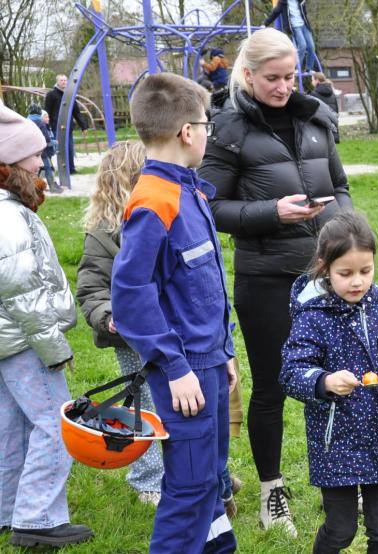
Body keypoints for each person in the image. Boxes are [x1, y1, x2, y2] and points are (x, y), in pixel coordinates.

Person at [199, 28, 351, 534]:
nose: (284, 86)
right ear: (246, 74)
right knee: (271, 389)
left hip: (325, 275)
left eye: (290, 76)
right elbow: (210, 206)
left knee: (336, 380)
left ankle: (341, 483)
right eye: (273, 78)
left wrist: (346, 237)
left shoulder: (316, 119)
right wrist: (271, 212)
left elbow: (340, 186)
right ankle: (272, 493)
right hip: (266, 279)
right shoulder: (227, 128)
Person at [110, 73, 237, 553]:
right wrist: (175, 365)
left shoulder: (190, 191)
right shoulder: (155, 200)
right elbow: (130, 291)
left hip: (209, 362)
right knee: (188, 490)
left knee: (210, 482)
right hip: (184, 373)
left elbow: (198, 287)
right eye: (207, 124)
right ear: (188, 131)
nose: (209, 133)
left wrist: (223, 349)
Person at [280, 211, 378, 553]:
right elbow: (291, 371)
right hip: (336, 442)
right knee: (341, 530)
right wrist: (325, 381)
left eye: (366, 271)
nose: (357, 282)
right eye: (345, 274)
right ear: (324, 268)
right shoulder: (313, 317)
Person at [0, 104, 93, 548]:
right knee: (56, 424)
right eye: (35, 155)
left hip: (8, 340)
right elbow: (21, 292)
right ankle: (37, 518)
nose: (42, 161)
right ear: (11, 161)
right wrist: (55, 349)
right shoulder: (9, 216)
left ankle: (7, 508)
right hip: (24, 342)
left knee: (13, 425)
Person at [76, 140, 166, 507]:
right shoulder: (102, 234)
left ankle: (191, 469)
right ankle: (147, 479)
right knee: (141, 405)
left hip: (173, 332)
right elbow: (91, 289)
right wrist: (108, 317)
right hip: (133, 340)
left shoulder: (163, 218)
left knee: (181, 401)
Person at [44, 74, 89, 175]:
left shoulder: (69, 95)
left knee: (69, 147)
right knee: (57, 149)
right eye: (61, 80)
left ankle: (71, 169)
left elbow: (76, 112)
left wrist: (83, 126)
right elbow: (47, 111)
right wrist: (47, 125)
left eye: (65, 80)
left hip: (68, 127)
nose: (64, 82)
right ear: (57, 82)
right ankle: (57, 169)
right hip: (56, 126)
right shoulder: (51, 95)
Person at [264, 0, 318, 73]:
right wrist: (265, 24)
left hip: (304, 25)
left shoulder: (300, 1)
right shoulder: (283, 3)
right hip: (295, 26)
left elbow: (304, 13)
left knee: (311, 47)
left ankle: (309, 68)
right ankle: (296, 67)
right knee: (302, 45)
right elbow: (275, 13)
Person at [26, 104, 59, 193]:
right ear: (39, 112)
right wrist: (55, 142)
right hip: (41, 151)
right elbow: (47, 139)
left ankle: (32, 187)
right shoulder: (40, 122)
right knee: (48, 167)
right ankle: (52, 187)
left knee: (32, 170)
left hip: (29, 150)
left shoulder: (26, 121)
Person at [309, 72, 341, 143]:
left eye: (312, 80)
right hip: (332, 128)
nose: (311, 82)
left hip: (320, 131)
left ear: (317, 80)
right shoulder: (332, 93)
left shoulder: (313, 94)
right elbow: (336, 110)